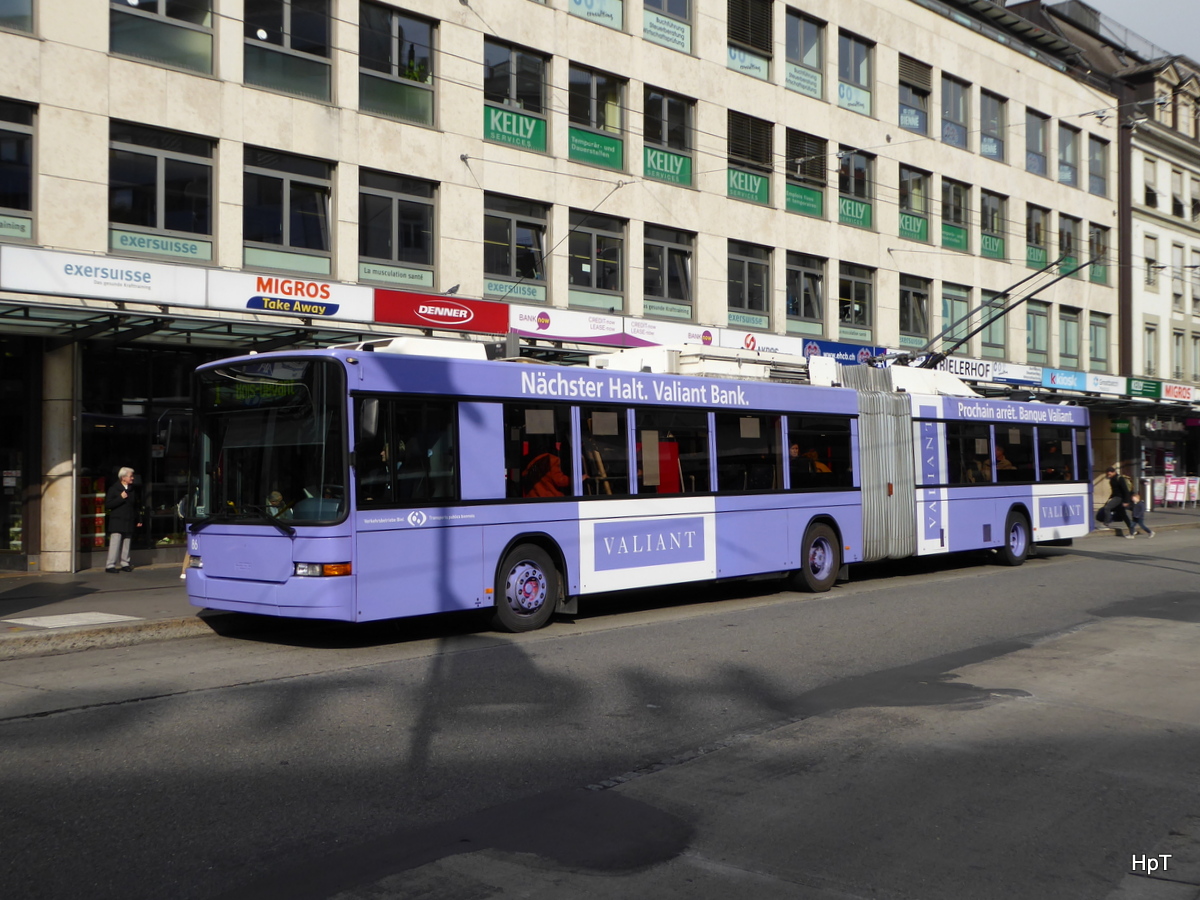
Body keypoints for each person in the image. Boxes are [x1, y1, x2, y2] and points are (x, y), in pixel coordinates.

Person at [104, 466, 139, 573]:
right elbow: (108, 504)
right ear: (123, 477)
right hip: (117, 520)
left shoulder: (132, 490)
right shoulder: (114, 489)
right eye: (130, 476)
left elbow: (136, 506)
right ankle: (110, 565)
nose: (132, 478)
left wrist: (139, 519)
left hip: (128, 519)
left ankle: (125, 563)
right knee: (115, 542)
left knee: (127, 542)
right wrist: (120, 498)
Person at [1096, 465, 1133, 534]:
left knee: (1107, 508)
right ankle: (1132, 528)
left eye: (1110, 474)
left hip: (1119, 498)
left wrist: (1126, 501)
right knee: (1123, 514)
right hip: (1115, 497)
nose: (1108, 475)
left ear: (1114, 472)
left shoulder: (1120, 478)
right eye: (1107, 474)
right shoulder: (1112, 480)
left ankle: (1106, 524)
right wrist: (1110, 499)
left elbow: (1125, 490)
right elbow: (1114, 491)